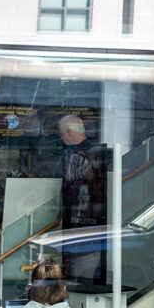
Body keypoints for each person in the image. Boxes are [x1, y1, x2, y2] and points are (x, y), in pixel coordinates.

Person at [56, 114, 106, 284]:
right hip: (82, 230)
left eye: (62, 134)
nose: (62, 139)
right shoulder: (95, 154)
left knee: (80, 281)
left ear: (69, 133)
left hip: (84, 232)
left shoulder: (81, 156)